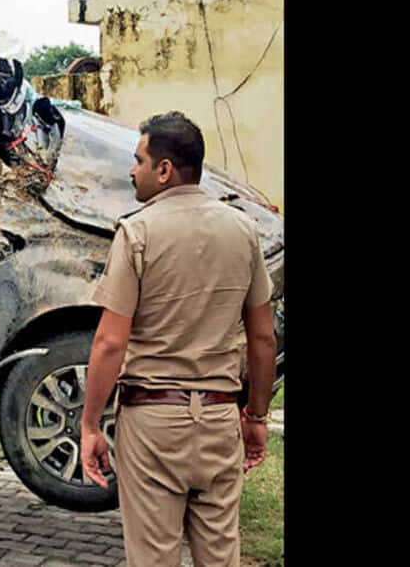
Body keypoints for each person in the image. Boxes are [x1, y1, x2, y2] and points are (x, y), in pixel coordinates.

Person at [78, 111, 276, 567]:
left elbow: (110, 342)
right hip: (220, 418)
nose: (132, 170)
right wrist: (257, 416)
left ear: (164, 169)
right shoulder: (244, 231)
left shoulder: (137, 232)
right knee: (221, 557)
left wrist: (90, 425)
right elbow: (263, 338)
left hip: (153, 425)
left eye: (139, 160)